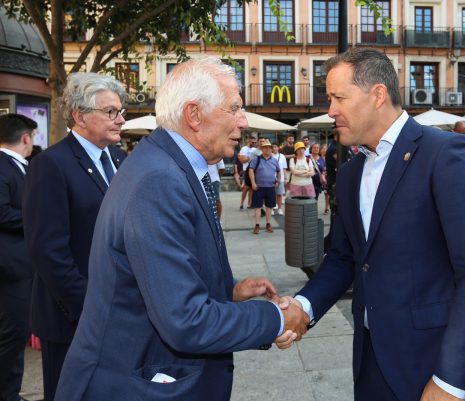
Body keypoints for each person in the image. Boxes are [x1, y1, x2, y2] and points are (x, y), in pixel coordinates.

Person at [54, 58, 308, 401]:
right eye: (234, 108)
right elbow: (185, 321)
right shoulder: (160, 179)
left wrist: (226, 291)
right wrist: (275, 318)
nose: (243, 121)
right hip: (133, 384)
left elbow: (158, 275)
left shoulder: (166, 164)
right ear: (194, 115)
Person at [278, 48, 465, 401]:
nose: (331, 110)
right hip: (371, 364)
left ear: (378, 94)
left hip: (437, 368)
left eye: (339, 97)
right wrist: (303, 308)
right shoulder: (352, 172)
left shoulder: (447, 154)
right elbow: (343, 257)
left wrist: (452, 380)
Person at [21, 73, 128, 401]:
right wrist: (92, 308)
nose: (121, 119)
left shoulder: (120, 160)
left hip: (120, 315)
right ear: (80, 116)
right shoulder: (52, 164)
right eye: (111, 112)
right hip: (74, 320)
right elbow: (48, 250)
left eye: (121, 111)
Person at [0, 114, 36, 401]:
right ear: (25, 138)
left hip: (19, 265)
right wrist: (37, 216)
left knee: (16, 333)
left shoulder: (19, 166)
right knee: (13, 333)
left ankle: (11, 391)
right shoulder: (2, 166)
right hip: (10, 267)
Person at [248, 139, 280, 234]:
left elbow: (278, 171)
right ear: (262, 149)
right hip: (259, 187)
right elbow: (250, 170)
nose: (267, 149)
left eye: (269, 147)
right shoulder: (256, 159)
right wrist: (253, 183)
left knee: (269, 207)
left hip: (270, 187)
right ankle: (257, 225)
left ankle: (268, 224)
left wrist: (278, 180)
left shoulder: (274, 160)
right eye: (265, 147)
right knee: (257, 207)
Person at [238, 135, 258, 209]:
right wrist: (250, 157)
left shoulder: (255, 149)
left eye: (255, 142)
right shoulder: (244, 149)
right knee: (246, 187)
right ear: (249, 141)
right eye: (253, 142)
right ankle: (241, 203)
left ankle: (249, 203)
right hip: (246, 169)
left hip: (254, 170)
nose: (254, 143)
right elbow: (243, 160)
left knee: (252, 188)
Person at [271, 143, 287, 215]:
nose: (274, 148)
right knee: (271, 194)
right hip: (270, 178)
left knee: (279, 194)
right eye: (273, 147)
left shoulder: (282, 156)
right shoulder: (269, 156)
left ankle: (279, 209)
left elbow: (284, 168)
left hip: (280, 178)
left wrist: (285, 178)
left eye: (276, 147)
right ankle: (271, 208)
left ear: (278, 148)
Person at [319, 145, 330, 214]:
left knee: (327, 193)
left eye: (326, 149)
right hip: (320, 177)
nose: (324, 150)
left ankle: (327, 207)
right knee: (325, 193)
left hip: (328, 177)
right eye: (323, 148)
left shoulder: (330, 157)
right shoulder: (319, 158)